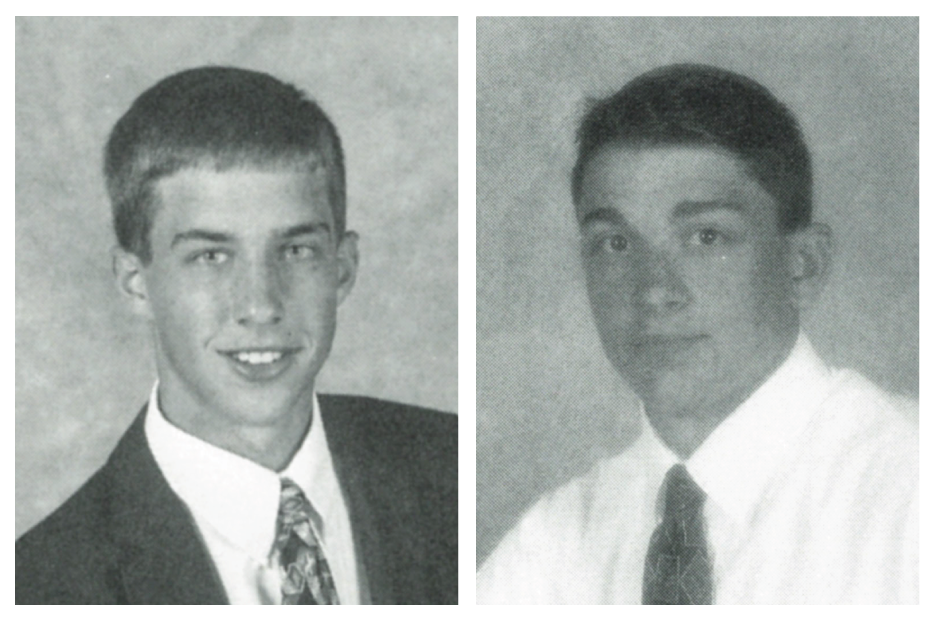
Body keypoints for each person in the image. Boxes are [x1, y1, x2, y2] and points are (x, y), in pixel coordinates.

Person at [475, 64, 918, 605]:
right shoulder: (553, 543)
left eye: (705, 237)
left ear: (803, 264)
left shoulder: (904, 493)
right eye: (615, 244)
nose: (654, 290)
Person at [15, 66, 458, 605]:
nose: (260, 305)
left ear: (343, 268)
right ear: (135, 283)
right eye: (210, 257)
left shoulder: (454, 471)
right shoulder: (46, 584)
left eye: (296, 251)